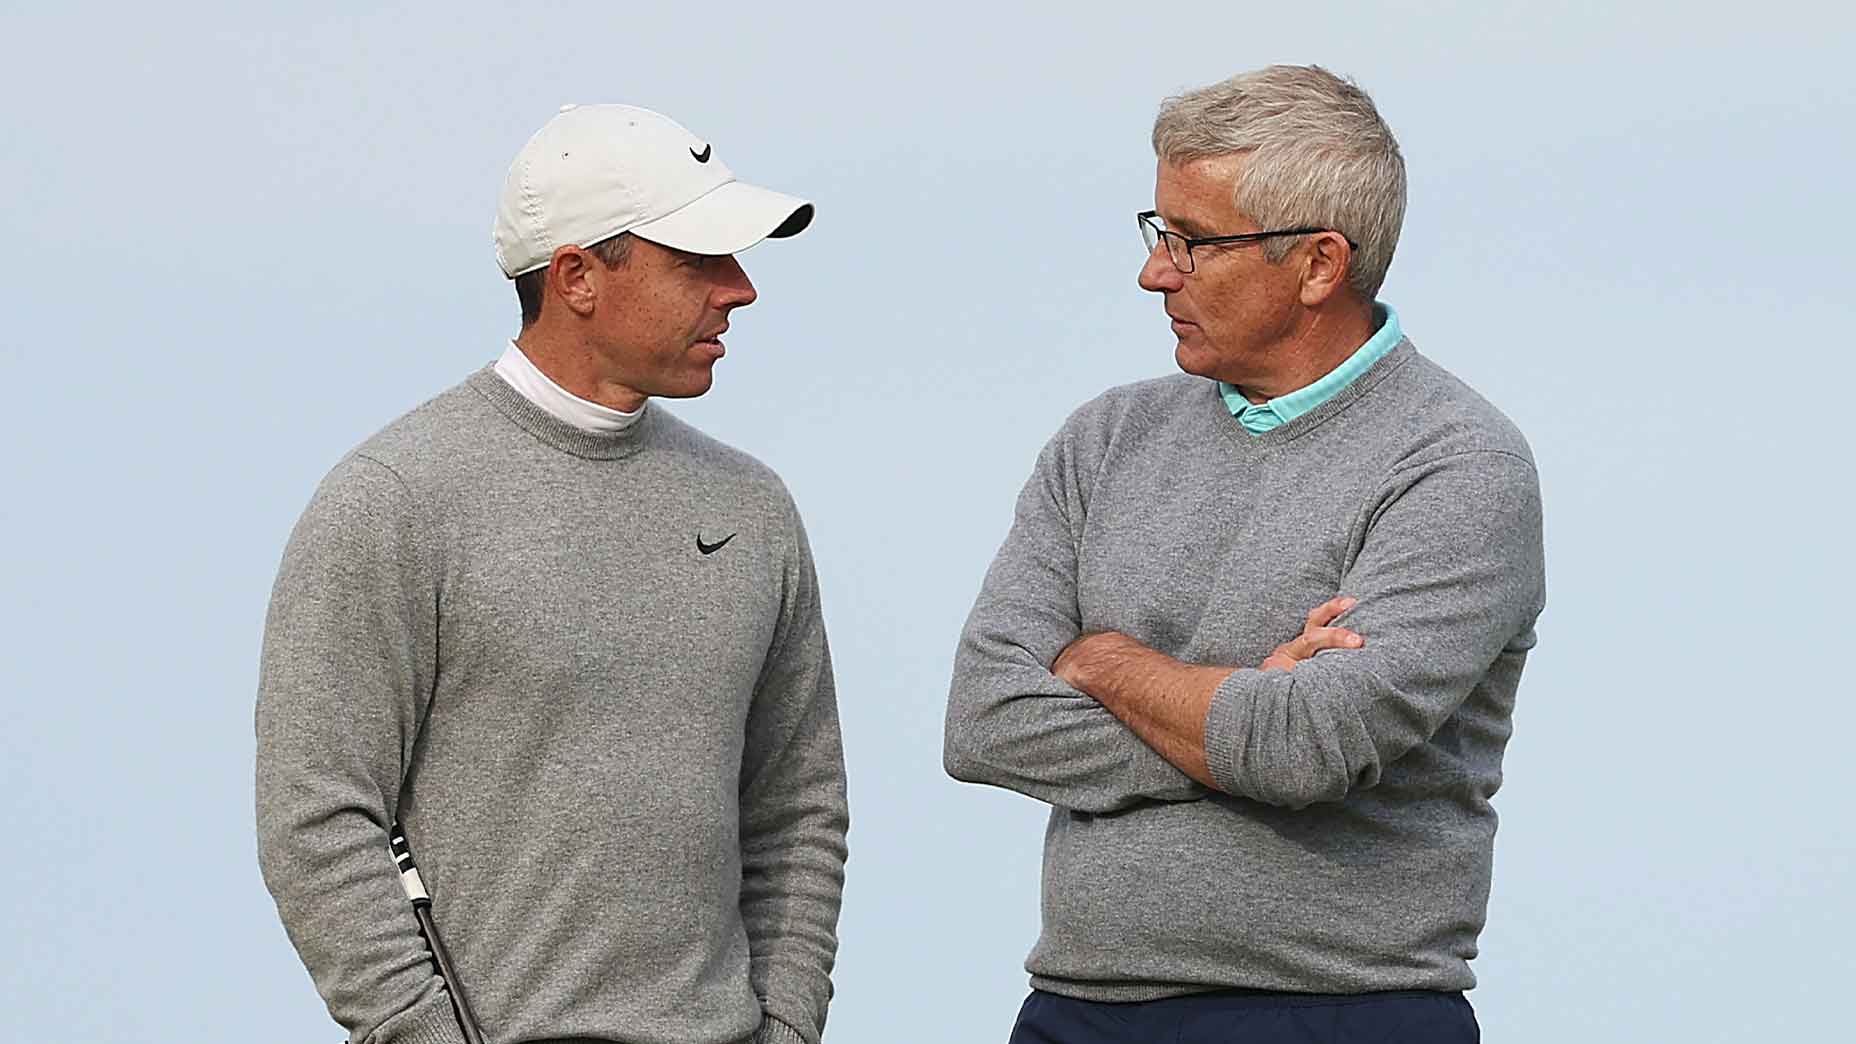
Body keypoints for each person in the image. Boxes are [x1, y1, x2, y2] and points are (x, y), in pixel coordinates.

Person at [944, 65, 1546, 1044]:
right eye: (1157, 231)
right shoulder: (1103, 439)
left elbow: (1311, 744)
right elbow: (984, 720)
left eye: (1193, 242)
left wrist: (1102, 662)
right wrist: (1241, 705)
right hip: (1072, 1012)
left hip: (1338, 1015)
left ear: (1317, 264)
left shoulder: (1458, 463)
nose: (1155, 271)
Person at [256, 103, 848, 1044]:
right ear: (575, 275)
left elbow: (797, 810)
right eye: (699, 260)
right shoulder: (396, 498)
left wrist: (785, 1026)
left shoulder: (751, 507)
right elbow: (317, 820)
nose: (742, 290)